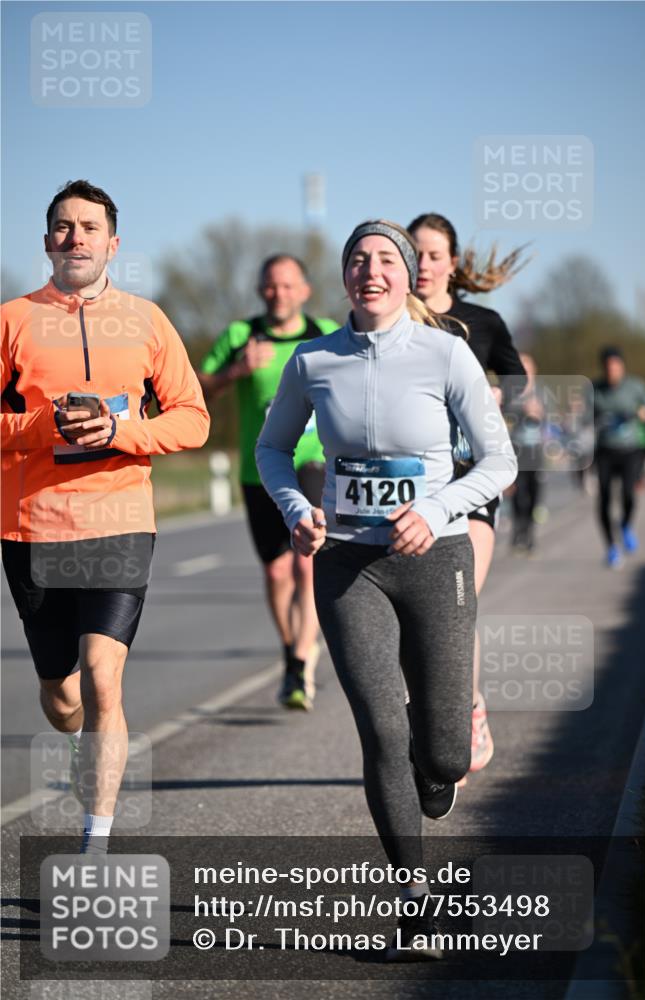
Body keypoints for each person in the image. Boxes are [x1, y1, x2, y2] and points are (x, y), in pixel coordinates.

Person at [256, 220, 517, 959]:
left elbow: (498, 464)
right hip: (346, 564)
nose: (371, 270)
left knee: (442, 754)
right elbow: (273, 448)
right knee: (380, 729)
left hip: (437, 559)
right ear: (343, 276)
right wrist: (297, 510)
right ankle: (413, 898)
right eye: (357, 260)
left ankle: (436, 770)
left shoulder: (446, 354)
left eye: (385, 260)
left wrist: (435, 509)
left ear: (407, 277)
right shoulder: (312, 361)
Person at [1, 179, 210, 853]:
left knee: (102, 678)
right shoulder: (11, 321)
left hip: (119, 521)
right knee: (63, 697)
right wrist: (43, 428)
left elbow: (193, 419)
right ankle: (75, 745)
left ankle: (95, 844)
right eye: (63, 226)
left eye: (89, 227)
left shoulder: (147, 320)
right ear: (46, 242)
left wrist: (120, 434)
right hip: (33, 528)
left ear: (112, 243)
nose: (75, 237)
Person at [407, 213, 528, 779]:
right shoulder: (388, 316)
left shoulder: (483, 322)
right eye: (417, 255)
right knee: (416, 614)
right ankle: (431, 716)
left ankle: (467, 711)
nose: (425, 265)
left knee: (458, 603)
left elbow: (520, 382)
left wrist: (502, 400)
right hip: (406, 488)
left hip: (469, 479)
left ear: (453, 262)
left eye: (434, 255)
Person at [198, 257, 338, 710]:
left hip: (313, 462)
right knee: (277, 571)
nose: (279, 293)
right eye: (270, 286)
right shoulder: (241, 336)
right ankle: (291, 645)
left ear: (305, 290)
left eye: (287, 285)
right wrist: (235, 371)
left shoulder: (326, 331)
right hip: (259, 468)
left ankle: (299, 663)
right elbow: (195, 390)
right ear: (261, 290)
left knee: (306, 562)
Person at [593, 346, 645, 567]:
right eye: (608, 368)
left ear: (622, 366)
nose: (612, 371)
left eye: (616, 367)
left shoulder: (635, 386)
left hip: (630, 450)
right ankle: (610, 547)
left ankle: (626, 524)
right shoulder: (595, 389)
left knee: (629, 494)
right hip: (605, 451)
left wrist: (644, 413)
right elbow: (583, 417)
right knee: (605, 499)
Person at [504, 353, 546, 553]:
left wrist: (539, 412)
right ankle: (517, 531)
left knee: (534, 493)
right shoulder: (512, 391)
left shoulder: (542, 392)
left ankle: (529, 532)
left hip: (535, 450)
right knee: (517, 493)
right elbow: (504, 414)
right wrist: (523, 409)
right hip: (516, 448)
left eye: (528, 368)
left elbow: (551, 416)